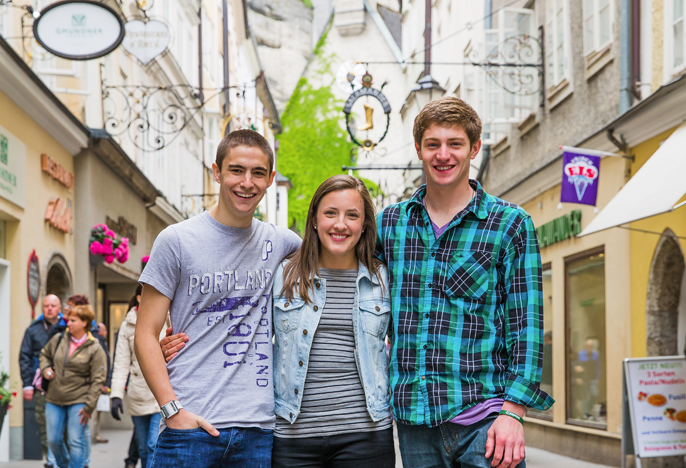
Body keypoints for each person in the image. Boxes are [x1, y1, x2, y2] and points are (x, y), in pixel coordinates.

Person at [375, 96, 554, 468]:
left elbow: (527, 325)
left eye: (455, 144)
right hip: (415, 421)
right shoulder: (390, 224)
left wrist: (514, 411)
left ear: (474, 148)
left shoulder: (509, 224)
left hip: (486, 421)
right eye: (433, 144)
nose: (444, 155)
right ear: (418, 149)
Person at [135, 129, 301, 467]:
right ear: (216, 172)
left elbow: (337, 252)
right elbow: (145, 334)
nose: (246, 182)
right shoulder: (176, 240)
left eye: (257, 173)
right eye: (236, 170)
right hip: (190, 429)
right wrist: (172, 411)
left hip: (257, 431)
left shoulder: (280, 241)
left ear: (270, 179)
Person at [271, 175, 394, 468]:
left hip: (365, 436)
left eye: (352, 215)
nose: (341, 224)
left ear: (364, 224)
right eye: (330, 213)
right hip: (292, 435)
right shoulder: (284, 275)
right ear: (314, 219)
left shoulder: (382, 280)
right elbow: (251, 337)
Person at [39, 304, 107, 468]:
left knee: (75, 441)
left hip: (79, 400)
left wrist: (89, 406)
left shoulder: (95, 347)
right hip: (54, 398)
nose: (68, 323)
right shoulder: (59, 339)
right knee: (53, 440)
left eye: (73, 321)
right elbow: (44, 355)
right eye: (69, 320)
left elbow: (98, 379)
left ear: (84, 323)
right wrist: (46, 369)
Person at [111, 285, 164, 468]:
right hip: (138, 393)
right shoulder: (127, 325)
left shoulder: (167, 318)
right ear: (139, 298)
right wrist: (116, 395)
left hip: (162, 391)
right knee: (142, 448)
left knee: (153, 444)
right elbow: (121, 362)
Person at [19, 294, 66, 468]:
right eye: (46, 306)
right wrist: (27, 384)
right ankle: (51, 460)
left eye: (53, 306)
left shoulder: (68, 327)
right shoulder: (33, 330)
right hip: (41, 387)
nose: (49, 309)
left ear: (59, 308)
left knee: (64, 427)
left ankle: (62, 461)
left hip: (65, 386)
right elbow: (24, 357)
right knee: (44, 425)